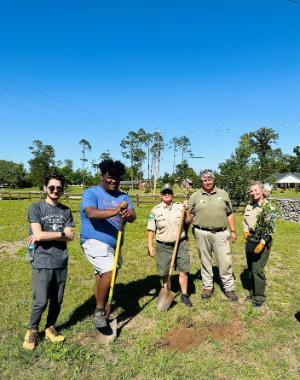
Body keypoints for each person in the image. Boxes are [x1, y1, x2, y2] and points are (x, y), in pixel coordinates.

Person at [80, 159, 136, 328]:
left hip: (115, 243)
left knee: (102, 274)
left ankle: (102, 307)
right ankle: (99, 310)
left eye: (117, 178)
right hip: (93, 240)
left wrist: (127, 213)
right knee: (109, 271)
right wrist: (116, 211)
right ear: (102, 176)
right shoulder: (92, 193)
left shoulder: (123, 196)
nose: (113, 181)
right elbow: (91, 213)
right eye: (110, 177)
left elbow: (133, 216)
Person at [23, 173, 75, 350]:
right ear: (45, 188)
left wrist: (48, 235)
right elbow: (38, 234)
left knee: (57, 299)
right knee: (41, 300)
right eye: (51, 187)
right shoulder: (36, 207)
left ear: (62, 190)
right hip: (42, 261)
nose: (55, 191)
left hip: (61, 261)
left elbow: (71, 236)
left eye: (59, 188)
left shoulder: (66, 210)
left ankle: (50, 327)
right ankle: (32, 330)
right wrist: (61, 234)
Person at [188, 169, 238, 301]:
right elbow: (187, 214)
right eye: (204, 180)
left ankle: (229, 288)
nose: (207, 182)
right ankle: (207, 287)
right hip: (201, 232)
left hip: (221, 233)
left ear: (214, 180)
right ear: (201, 181)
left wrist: (233, 230)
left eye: (209, 179)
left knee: (225, 261)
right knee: (205, 261)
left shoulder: (223, 194)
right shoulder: (195, 196)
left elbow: (230, 213)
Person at [147, 183, 193, 307]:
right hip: (163, 246)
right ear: (161, 195)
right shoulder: (155, 210)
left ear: (172, 195)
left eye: (169, 192)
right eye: (164, 193)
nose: (167, 194)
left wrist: (187, 210)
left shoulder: (180, 207)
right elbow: (151, 229)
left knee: (184, 269)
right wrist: (150, 246)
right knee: (165, 272)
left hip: (180, 244)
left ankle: (184, 294)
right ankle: (167, 292)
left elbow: (189, 221)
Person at [243, 182, 275, 307]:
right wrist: (245, 230)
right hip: (251, 239)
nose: (253, 193)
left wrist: (262, 243)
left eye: (255, 190)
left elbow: (270, 228)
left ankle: (260, 297)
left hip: (263, 240)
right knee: (251, 268)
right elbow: (245, 221)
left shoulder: (268, 208)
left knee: (257, 270)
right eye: (251, 191)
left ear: (261, 191)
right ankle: (254, 292)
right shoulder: (250, 206)